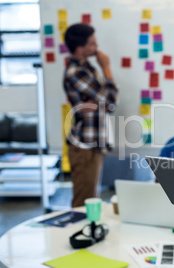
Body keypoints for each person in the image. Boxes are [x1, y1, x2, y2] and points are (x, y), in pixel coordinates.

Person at [63, 23, 118, 208]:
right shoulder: (77, 72)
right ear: (80, 48)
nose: (97, 47)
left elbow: (104, 104)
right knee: (83, 202)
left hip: (92, 143)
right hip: (84, 145)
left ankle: (88, 233)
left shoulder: (87, 68)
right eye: (93, 43)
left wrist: (99, 104)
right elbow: (110, 102)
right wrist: (107, 68)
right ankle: (78, 235)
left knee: (91, 199)